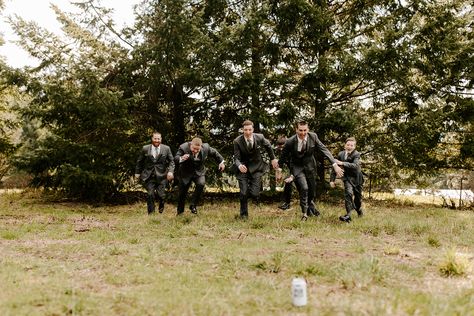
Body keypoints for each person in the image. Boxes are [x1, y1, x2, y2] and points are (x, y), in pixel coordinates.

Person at [278, 121, 344, 221]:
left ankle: (311, 209)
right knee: (304, 188)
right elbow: (283, 157)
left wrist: (334, 164)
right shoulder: (290, 141)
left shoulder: (313, 136)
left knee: (312, 192)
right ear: (296, 129)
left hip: (310, 166)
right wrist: (279, 170)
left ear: (308, 129)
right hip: (297, 167)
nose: (303, 133)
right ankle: (304, 213)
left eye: (305, 130)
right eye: (300, 130)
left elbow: (324, 149)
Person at [233, 120, 279, 219]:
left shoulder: (260, 137)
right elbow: (236, 157)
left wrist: (273, 159)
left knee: (255, 193)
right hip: (243, 169)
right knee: (243, 193)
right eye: (246, 130)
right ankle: (243, 215)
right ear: (242, 130)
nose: (248, 132)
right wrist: (239, 165)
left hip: (257, 168)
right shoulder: (237, 141)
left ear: (253, 129)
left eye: (250, 130)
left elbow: (268, 146)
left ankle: (247, 190)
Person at [174, 137, 225, 215]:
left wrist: (221, 162)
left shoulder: (206, 148)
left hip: (199, 172)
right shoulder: (183, 147)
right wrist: (181, 158)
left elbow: (215, 153)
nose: (195, 151)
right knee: (182, 193)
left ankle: (193, 205)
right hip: (185, 173)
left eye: (197, 149)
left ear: (201, 147)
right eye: (193, 148)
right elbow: (176, 158)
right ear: (191, 144)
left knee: (201, 184)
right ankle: (180, 212)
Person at [135, 132, 175, 215]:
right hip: (149, 176)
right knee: (150, 194)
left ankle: (161, 204)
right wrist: (137, 173)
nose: (157, 140)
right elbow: (140, 161)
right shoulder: (145, 148)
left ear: (161, 139)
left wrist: (170, 171)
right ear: (152, 139)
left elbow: (172, 161)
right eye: (155, 138)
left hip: (162, 176)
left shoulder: (166, 148)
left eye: (158, 139)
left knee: (161, 195)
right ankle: (151, 214)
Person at [330, 137, 364, 222]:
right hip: (347, 178)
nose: (349, 147)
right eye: (348, 145)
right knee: (348, 193)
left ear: (354, 147)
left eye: (352, 145)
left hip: (357, 178)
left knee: (357, 199)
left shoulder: (357, 154)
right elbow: (335, 166)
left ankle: (359, 210)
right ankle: (348, 215)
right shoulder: (341, 154)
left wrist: (342, 163)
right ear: (345, 145)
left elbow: (355, 165)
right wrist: (332, 180)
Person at [274, 135, 293, 210]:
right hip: (291, 169)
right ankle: (287, 204)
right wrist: (278, 175)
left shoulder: (292, 151)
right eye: (280, 147)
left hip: (299, 169)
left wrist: (292, 175)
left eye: (283, 147)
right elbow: (280, 165)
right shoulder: (282, 153)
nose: (281, 149)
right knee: (287, 183)